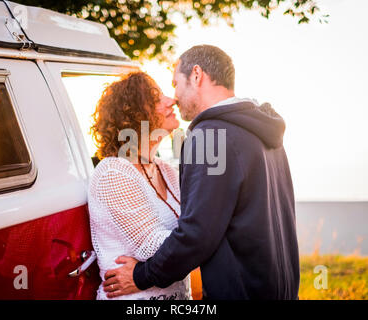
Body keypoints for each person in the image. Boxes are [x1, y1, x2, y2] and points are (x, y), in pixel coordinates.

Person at [102, 45, 300, 300]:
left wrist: (142, 275)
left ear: (196, 75)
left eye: (175, 83)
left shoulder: (209, 136)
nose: (173, 96)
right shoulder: (263, 130)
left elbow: (197, 233)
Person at [87, 71, 192, 300]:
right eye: (156, 99)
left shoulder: (166, 171)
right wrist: (209, 234)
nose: (171, 100)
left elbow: (189, 233)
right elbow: (153, 248)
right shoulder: (113, 172)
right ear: (133, 116)